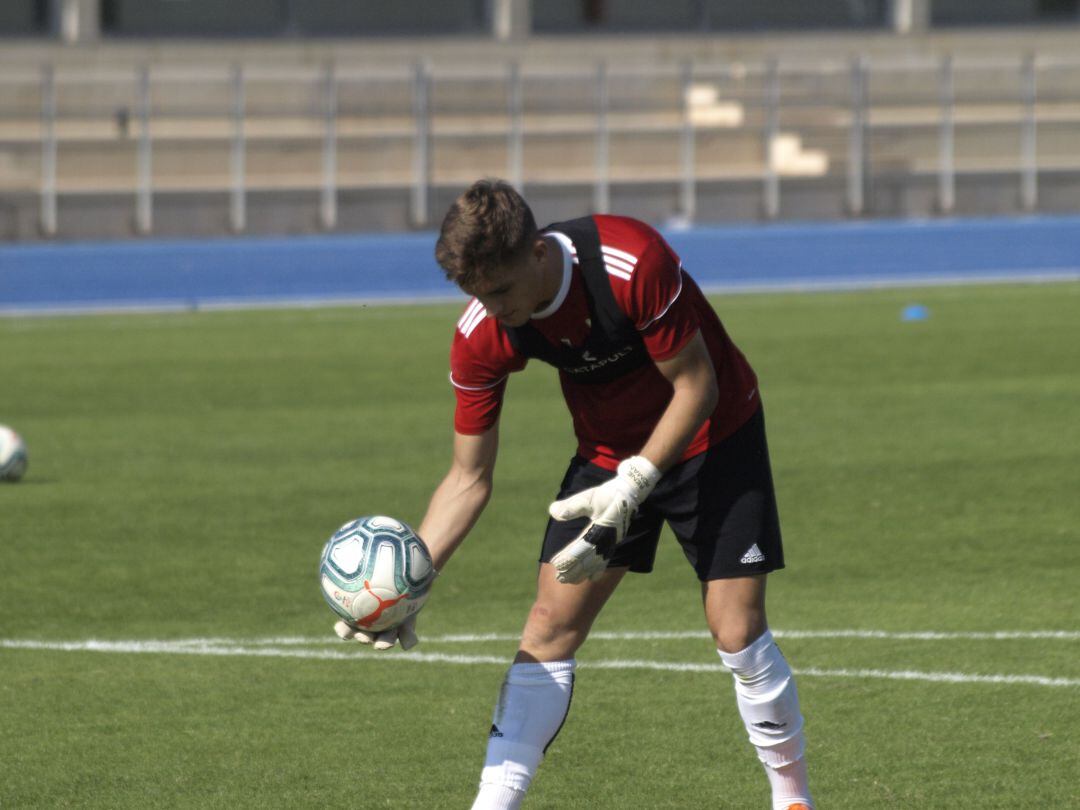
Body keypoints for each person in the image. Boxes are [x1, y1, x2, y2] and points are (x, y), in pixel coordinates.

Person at [334, 179, 814, 810]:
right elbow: (467, 479)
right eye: (478, 294)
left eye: (501, 290)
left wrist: (637, 483)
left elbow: (697, 387)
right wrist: (410, 580)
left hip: (713, 436)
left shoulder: (631, 261)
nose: (493, 307)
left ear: (537, 252)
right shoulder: (484, 330)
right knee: (548, 626)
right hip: (606, 455)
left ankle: (792, 799)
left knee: (736, 629)